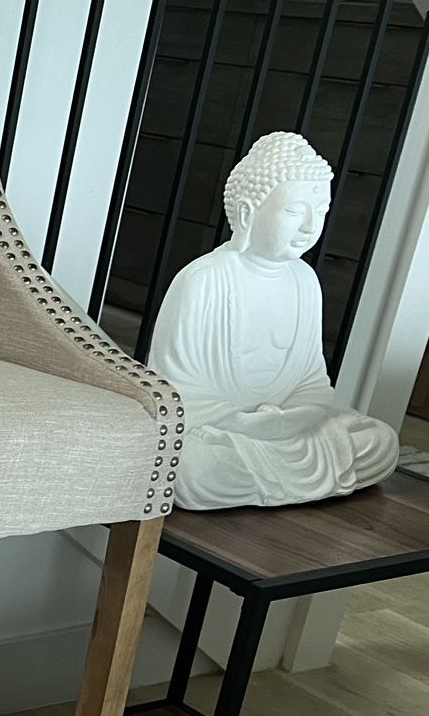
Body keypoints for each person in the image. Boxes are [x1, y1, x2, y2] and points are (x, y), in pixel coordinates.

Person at [149, 131, 399, 510]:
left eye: (322, 212)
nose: (309, 227)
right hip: (223, 431)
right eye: (296, 211)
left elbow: (311, 378)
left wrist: (302, 413)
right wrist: (243, 421)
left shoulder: (304, 282)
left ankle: (275, 480)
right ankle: (276, 479)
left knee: (381, 443)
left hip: (290, 432)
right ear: (249, 213)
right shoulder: (204, 280)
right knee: (192, 472)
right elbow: (172, 387)